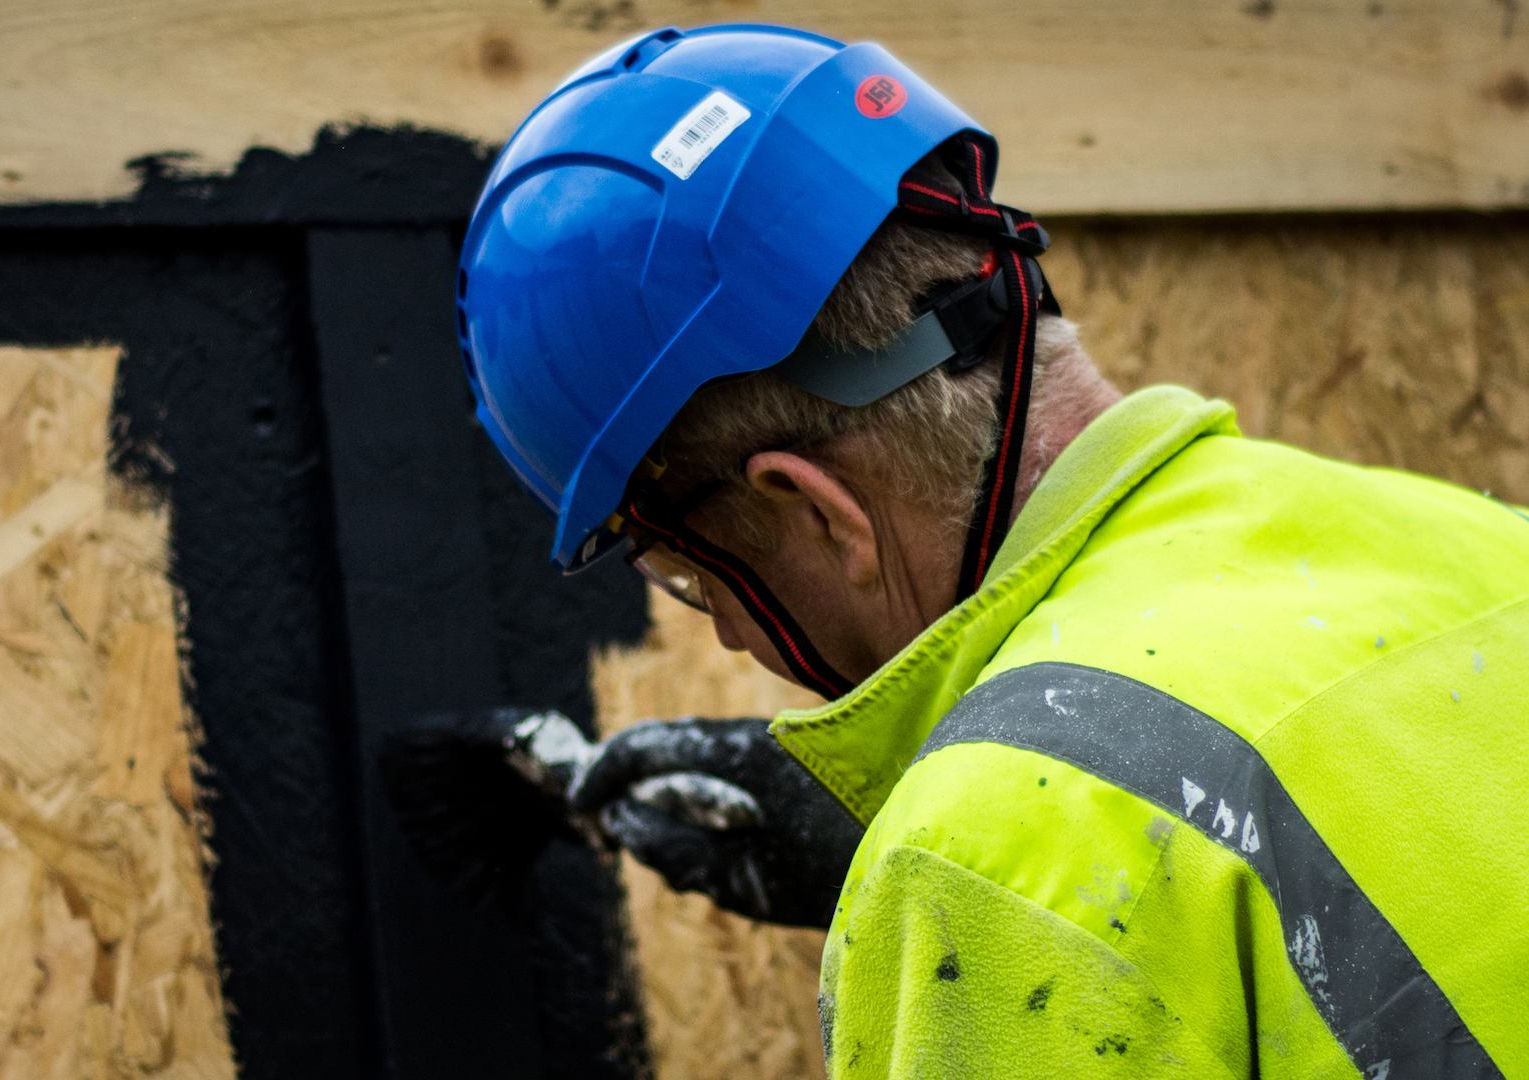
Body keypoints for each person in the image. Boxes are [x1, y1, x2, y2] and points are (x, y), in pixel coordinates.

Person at [455, 22, 1527, 1078]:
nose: (730, 633)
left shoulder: (978, 860)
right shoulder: (1473, 539)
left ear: (814, 507)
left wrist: (988, 871)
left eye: (689, 578)